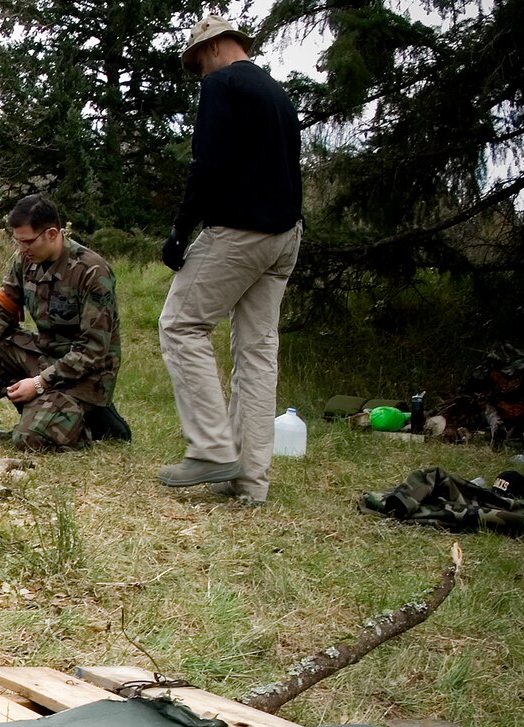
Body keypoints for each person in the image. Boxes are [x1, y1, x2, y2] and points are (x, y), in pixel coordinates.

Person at [155, 14, 303, 504]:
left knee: (180, 324)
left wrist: (181, 228)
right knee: (257, 353)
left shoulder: (222, 84)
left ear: (215, 47)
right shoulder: (277, 95)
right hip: (286, 236)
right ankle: (249, 482)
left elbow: (208, 164)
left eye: (200, 64)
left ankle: (213, 447)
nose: (201, 74)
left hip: (242, 232)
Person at [0, 193, 130, 449]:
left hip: (85, 375)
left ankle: (92, 420)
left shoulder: (92, 272)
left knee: (29, 440)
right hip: (45, 355)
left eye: (27, 242)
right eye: (18, 242)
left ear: (52, 234)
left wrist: (39, 383)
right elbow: (0, 310)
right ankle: (43, 408)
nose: (22, 249)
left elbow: (93, 350)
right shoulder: (24, 261)